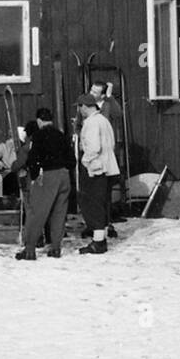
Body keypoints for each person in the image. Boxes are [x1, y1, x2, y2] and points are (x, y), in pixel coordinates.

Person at [15, 108, 75, 261]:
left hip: (48, 176)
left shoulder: (38, 135)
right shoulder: (61, 135)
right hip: (64, 175)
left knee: (37, 213)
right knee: (59, 213)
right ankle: (56, 248)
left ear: (39, 121)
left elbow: (33, 159)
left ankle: (29, 249)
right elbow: (72, 160)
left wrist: (35, 176)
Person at [76, 93, 119, 255]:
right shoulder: (104, 121)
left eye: (80, 107)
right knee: (100, 202)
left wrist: (85, 161)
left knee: (92, 203)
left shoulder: (92, 123)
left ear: (84, 107)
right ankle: (100, 237)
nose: (79, 111)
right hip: (107, 167)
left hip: (95, 169)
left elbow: (93, 147)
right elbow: (111, 144)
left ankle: (98, 241)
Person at [90, 80, 124, 238]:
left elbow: (118, 114)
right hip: (91, 152)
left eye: (95, 92)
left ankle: (106, 223)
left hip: (106, 153)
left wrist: (110, 98)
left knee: (105, 191)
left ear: (103, 94)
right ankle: (94, 223)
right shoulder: (85, 104)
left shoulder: (108, 105)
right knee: (92, 191)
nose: (91, 94)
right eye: (91, 90)